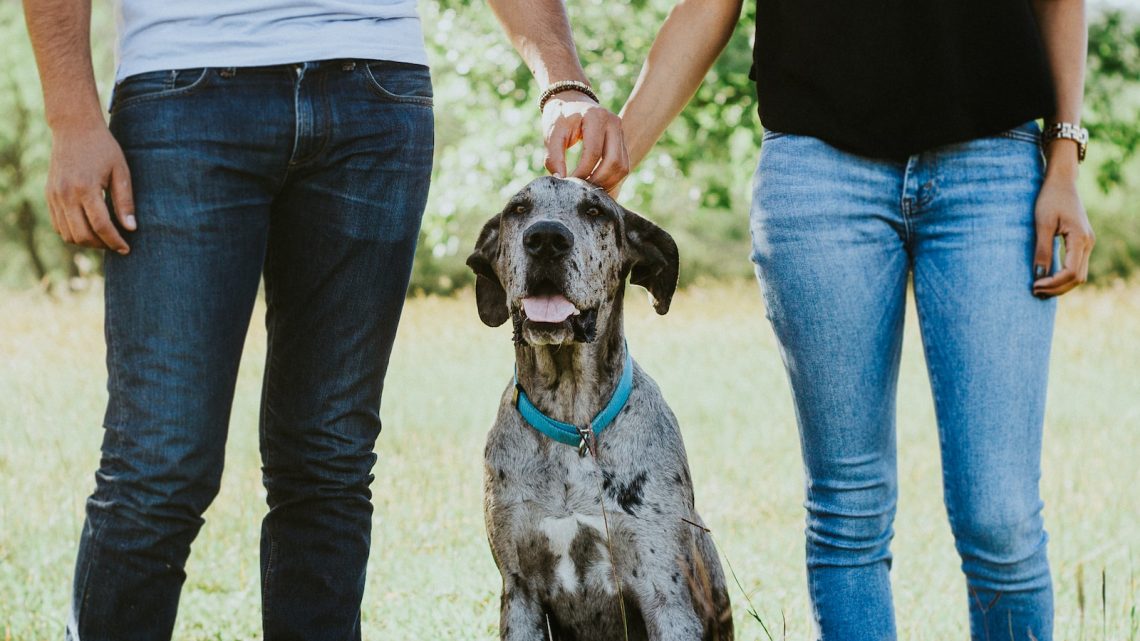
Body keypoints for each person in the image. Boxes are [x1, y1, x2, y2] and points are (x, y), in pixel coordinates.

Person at [22, 0, 620, 638]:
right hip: (182, 87)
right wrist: (71, 114)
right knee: (159, 464)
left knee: (328, 458)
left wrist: (562, 82)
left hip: (377, 92)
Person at [541, 0, 1093, 639]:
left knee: (1001, 516)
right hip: (819, 172)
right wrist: (614, 160)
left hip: (993, 167)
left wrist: (1064, 158)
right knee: (848, 510)